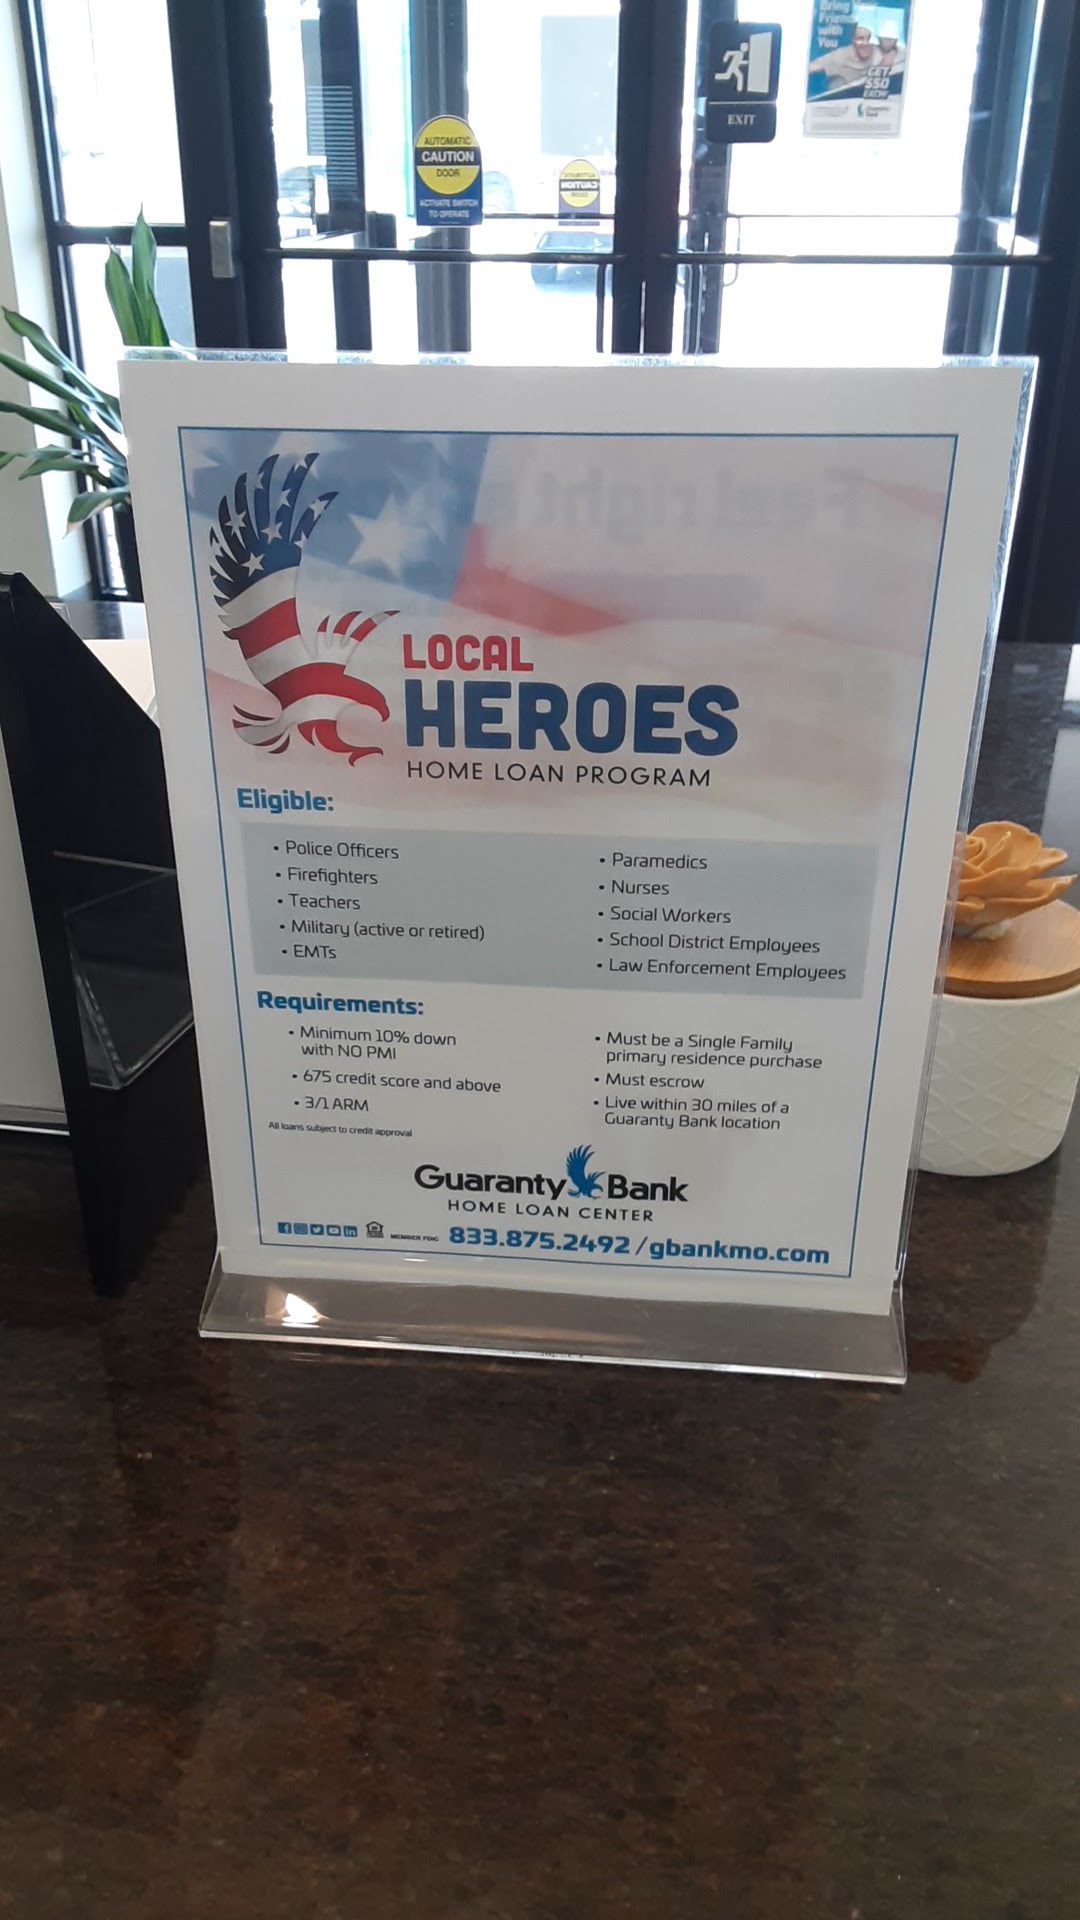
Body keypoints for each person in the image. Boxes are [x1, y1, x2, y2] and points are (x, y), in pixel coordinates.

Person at [808, 22, 874, 92]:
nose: (866, 43)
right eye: (860, 39)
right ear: (853, 40)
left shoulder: (876, 51)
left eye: (869, 39)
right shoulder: (840, 56)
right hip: (838, 96)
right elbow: (811, 67)